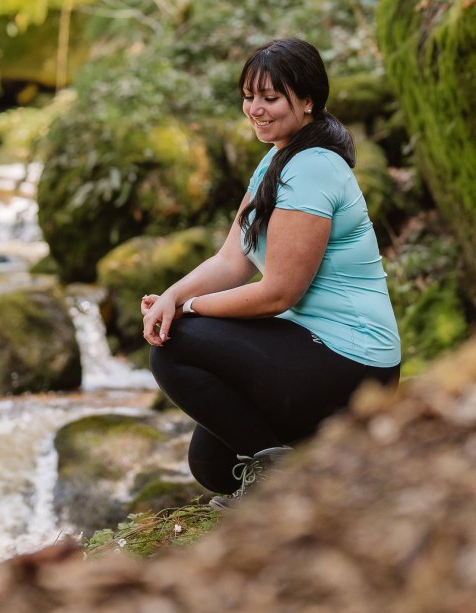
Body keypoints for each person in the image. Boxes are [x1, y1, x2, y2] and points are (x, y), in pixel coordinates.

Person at [141, 37, 401, 500]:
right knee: (212, 466)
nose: (255, 109)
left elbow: (280, 293)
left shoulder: (315, 168)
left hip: (352, 361)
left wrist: (190, 311)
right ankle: (299, 459)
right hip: (311, 347)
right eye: (248, 96)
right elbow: (231, 260)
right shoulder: (277, 160)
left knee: (176, 344)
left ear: (307, 101)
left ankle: (284, 482)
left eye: (270, 97)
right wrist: (172, 297)